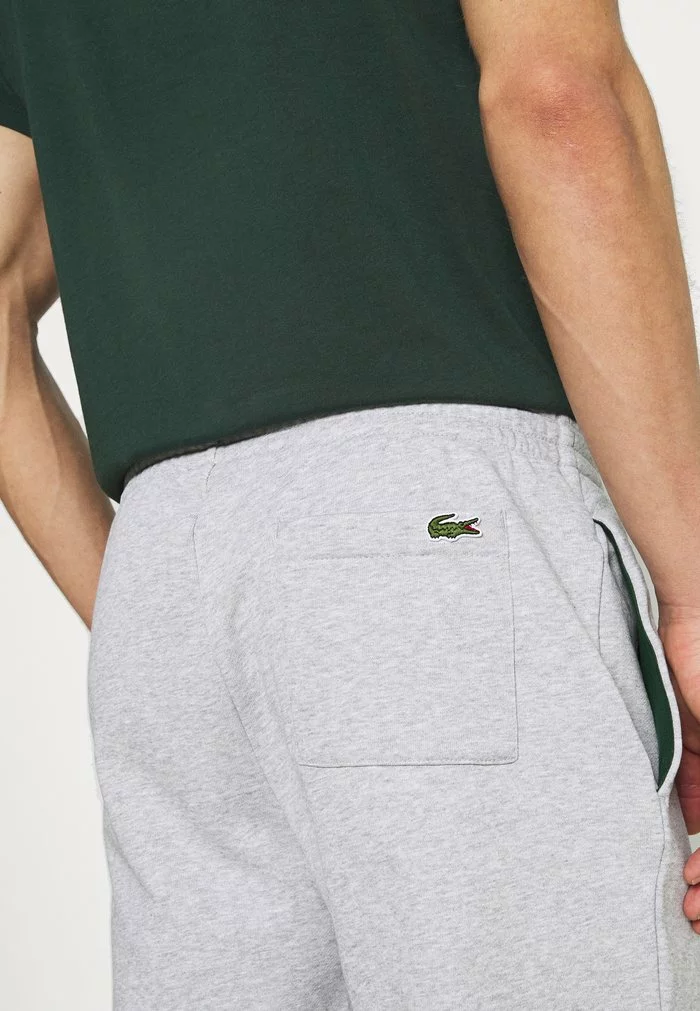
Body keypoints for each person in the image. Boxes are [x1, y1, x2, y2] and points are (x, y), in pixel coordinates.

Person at [1, 0, 699, 1006]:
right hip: (435, 521)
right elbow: (558, 98)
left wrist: (153, 613)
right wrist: (689, 597)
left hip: (167, 585)